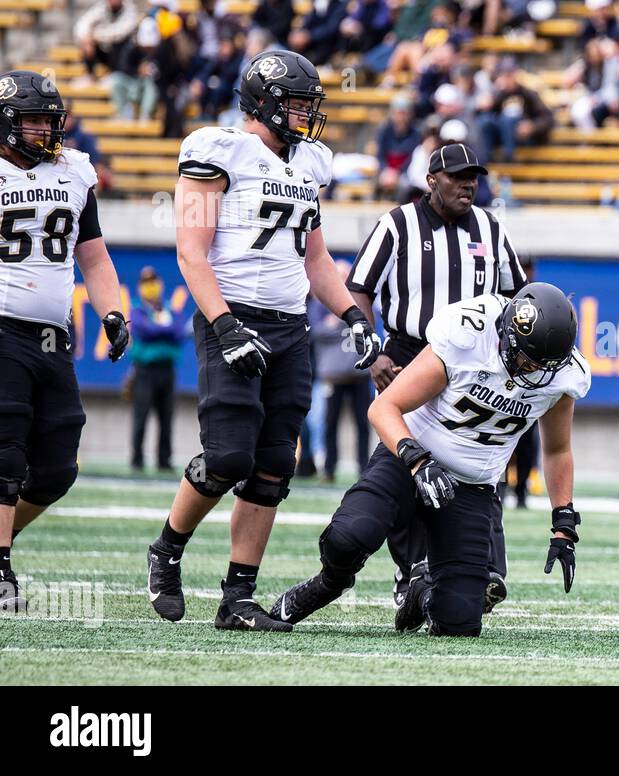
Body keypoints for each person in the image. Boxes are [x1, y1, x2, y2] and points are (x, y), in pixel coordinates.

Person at [144, 50, 382, 632]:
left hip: (289, 325)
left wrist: (351, 313)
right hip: (232, 314)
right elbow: (190, 252)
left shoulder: (309, 165)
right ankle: (167, 550)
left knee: (275, 463)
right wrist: (224, 325)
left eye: (309, 105)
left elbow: (316, 257)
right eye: (298, 104)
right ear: (265, 103)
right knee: (228, 456)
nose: (306, 116)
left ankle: (237, 598)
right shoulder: (217, 150)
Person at [271, 284, 590, 636]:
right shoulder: (469, 336)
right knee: (348, 537)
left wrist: (564, 525)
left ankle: (421, 592)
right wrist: (418, 462)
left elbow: (557, 449)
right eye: (527, 360)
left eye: (542, 365)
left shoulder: (563, 375)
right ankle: (329, 583)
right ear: (507, 334)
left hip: (470, 486)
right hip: (409, 460)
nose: (533, 372)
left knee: (458, 623)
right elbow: (384, 407)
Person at [306, 141, 527, 610]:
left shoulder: (490, 227)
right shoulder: (397, 224)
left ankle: (481, 566)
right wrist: (373, 351)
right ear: (432, 180)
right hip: (411, 352)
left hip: (473, 363)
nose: (469, 184)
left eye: (475, 176)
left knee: (475, 459)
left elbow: (515, 297)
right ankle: (411, 571)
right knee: (409, 460)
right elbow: (358, 290)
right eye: (458, 176)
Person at [0, 72, 131, 614]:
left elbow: (94, 256)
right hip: (2, 323)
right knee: (5, 452)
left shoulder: (74, 171)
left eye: (51, 120)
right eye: (34, 120)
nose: (46, 129)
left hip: (54, 335)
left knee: (56, 468)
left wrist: (113, 310)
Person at [310, 262, 374, 484]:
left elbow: (371, 328)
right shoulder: (321, 303)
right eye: (340, 275)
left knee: (363, 424)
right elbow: (315, 332)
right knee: (329, 423)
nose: (344, 281)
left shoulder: (360, 304)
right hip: (333, 376)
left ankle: (364, 468)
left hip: (359, 375)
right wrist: (338, 320)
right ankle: (328, 469)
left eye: (347, 275)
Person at [129, 266, 187, 472]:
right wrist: (164, 330)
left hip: (167, 369)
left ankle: (165, 459)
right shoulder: (136, 308)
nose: (150, 286)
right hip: (145, 370)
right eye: (146, 282)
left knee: (166, 417)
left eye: (153, 281)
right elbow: (143, 331)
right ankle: (137, 459)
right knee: (141, 415)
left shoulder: (170, 308)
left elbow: (179, 332)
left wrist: (160, 330)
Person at [479, 58, 554, 162]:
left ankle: (508, 159)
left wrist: (532, 126)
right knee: (485, 121)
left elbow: (548, 119)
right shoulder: (498, 95)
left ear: (516, 74)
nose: (507, 78)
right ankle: (485, 161)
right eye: (504, 75)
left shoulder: (528, 94)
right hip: (502, 135)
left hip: (523, 137)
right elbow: (484, 115)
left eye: (509, 74)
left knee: (509, 119)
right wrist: (488, 101)